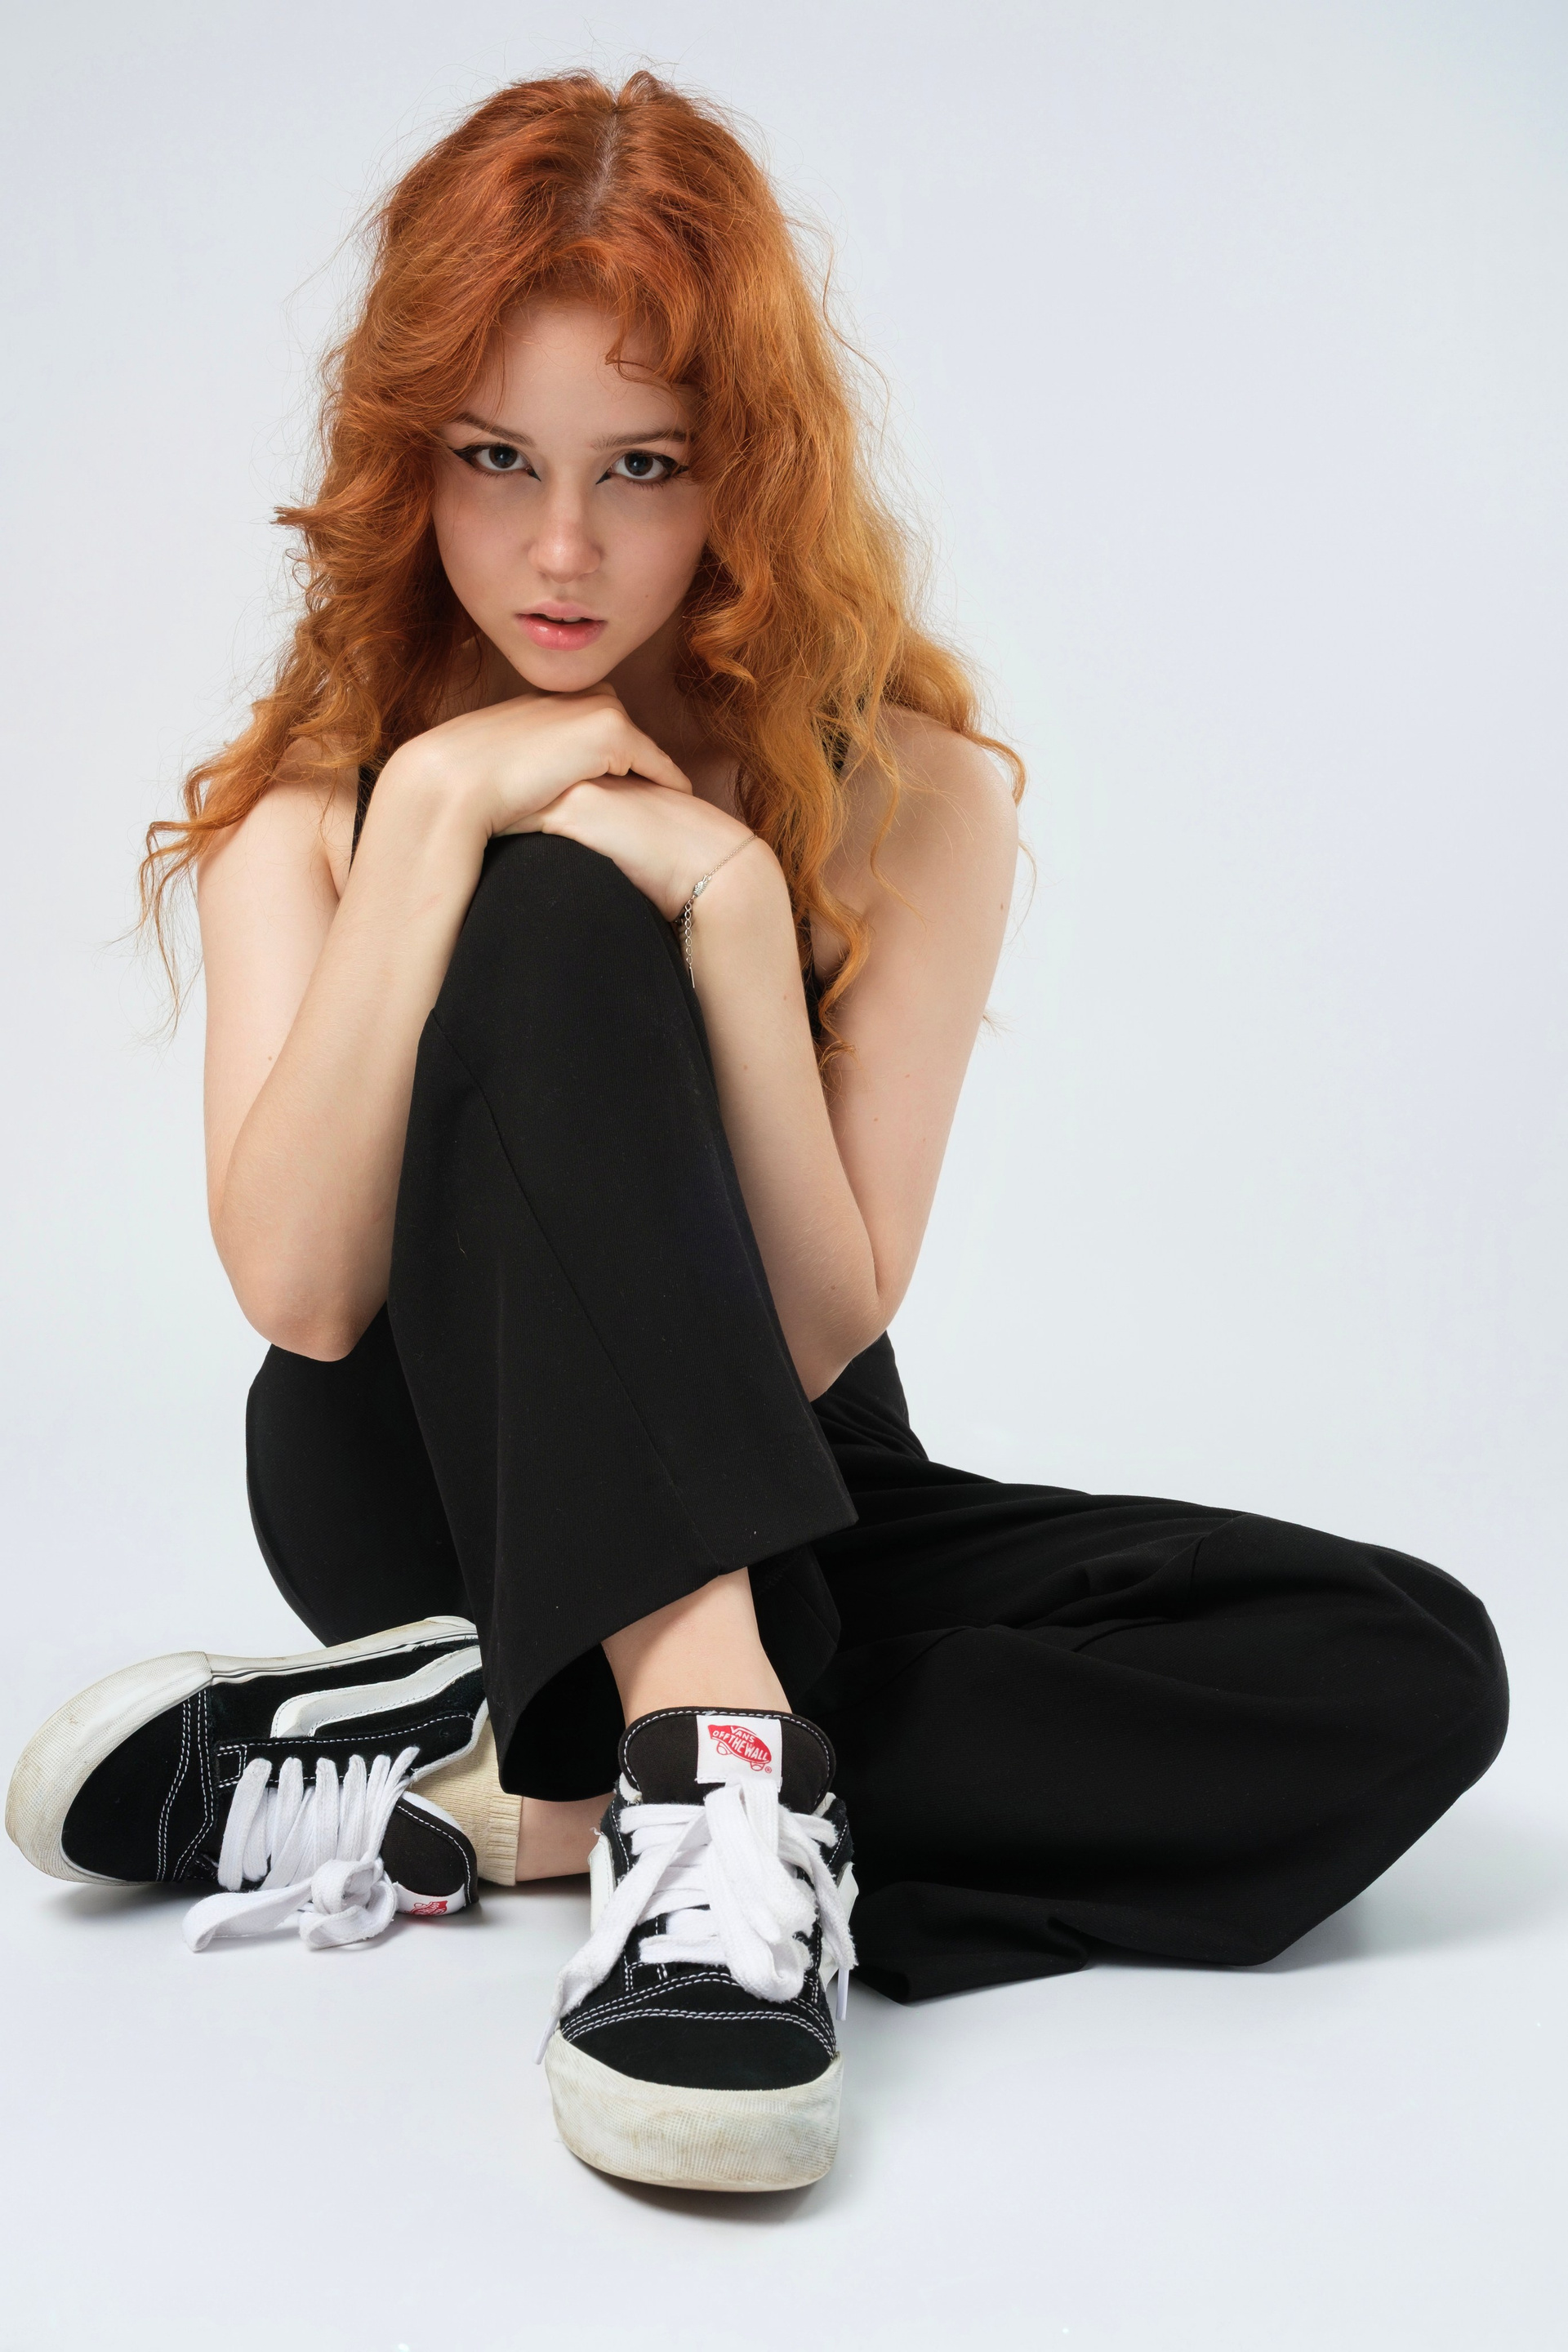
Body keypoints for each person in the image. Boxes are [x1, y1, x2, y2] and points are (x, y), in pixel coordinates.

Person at [4, 71, 1507, 2197]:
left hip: (786, 1471)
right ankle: (711, 1793)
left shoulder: (911, 796)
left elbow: (814, 1334)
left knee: (1402, 1672)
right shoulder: (323, 802)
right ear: (410, 455)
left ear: (748, 474)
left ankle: (517, 1790)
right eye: (498, 460)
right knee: (549, 908)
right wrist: (431, 826)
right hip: (427, 1471)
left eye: (642, 468)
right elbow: (306, 1298)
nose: (562, 549)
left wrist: (724, 912)